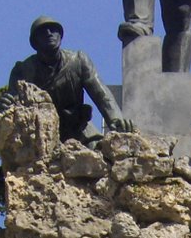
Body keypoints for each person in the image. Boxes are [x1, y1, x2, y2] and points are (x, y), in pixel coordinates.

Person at [7, 16, 132, 144]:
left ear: (60, 36)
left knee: (97, 152)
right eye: (43, 31)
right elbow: (12, 106)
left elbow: (101, 94)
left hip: (79, 129)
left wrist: (116, 119)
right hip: (44, 135)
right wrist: (5, 106)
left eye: (53, 30)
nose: (49, 33)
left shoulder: (78, 60)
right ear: (35, 42)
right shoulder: (23, 70)